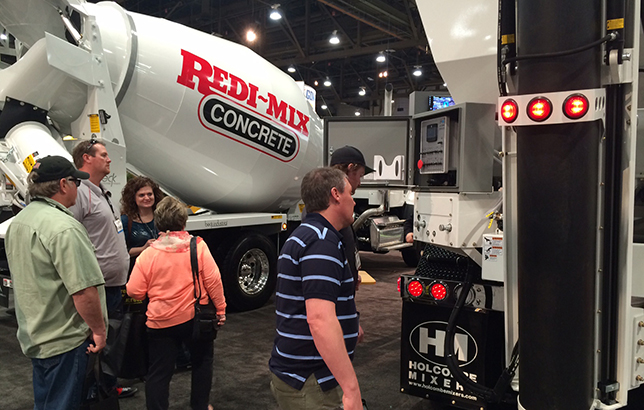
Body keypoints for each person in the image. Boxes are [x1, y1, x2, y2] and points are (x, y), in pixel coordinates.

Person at [5, 155, 108, 410]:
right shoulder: (65, 228)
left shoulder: (20, 222)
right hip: (65, 340)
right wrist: (99, 330)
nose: (78, 187)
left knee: (48, 402)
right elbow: (83, 290)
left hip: (36, 334)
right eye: (76, 182)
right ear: (63, 184)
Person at [269, 167, 363, 410]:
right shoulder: (322, 242)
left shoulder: (306, 235)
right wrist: (351, 389)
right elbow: (320, 319)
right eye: (350, 192)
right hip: (311, 381)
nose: (354, 200)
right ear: (335, 195)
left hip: (302, 375)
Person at [126, 196, 226, 410]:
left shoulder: (148, 254)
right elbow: (213, 280)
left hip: (160, 322)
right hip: (196, 319)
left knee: (159, 372)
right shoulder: (198, 246)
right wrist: (221, 310)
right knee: (201, 362)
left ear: (158, 222)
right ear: (183, 221)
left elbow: (134, 290)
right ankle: (200, 406)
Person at [69, 138, 137, 398]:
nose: (109, 159)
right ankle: (90, 393)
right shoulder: (80, 194)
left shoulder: (101, 192)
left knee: (111, 340)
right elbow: (72, 237)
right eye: (104, 155)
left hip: (113, 283)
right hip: (97, 286)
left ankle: (106, 388)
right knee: (95, 342)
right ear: (87, 158)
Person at [330, 145, 374, 341]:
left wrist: (353, 272)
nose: (360, 183)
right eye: (360, 175)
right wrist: (348, 320)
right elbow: (328, 281)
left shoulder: (336, 214)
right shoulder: (331, 216)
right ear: (349, 168)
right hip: (335, 319)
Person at [120, 176, 164, 262]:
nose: (147, 198)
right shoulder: (126, 221)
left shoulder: (163, 216)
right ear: (133, 198)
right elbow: (122, 251)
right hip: (138, 269)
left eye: (149, 194)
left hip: (162, 267)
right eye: (141, 195)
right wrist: (143, 248)